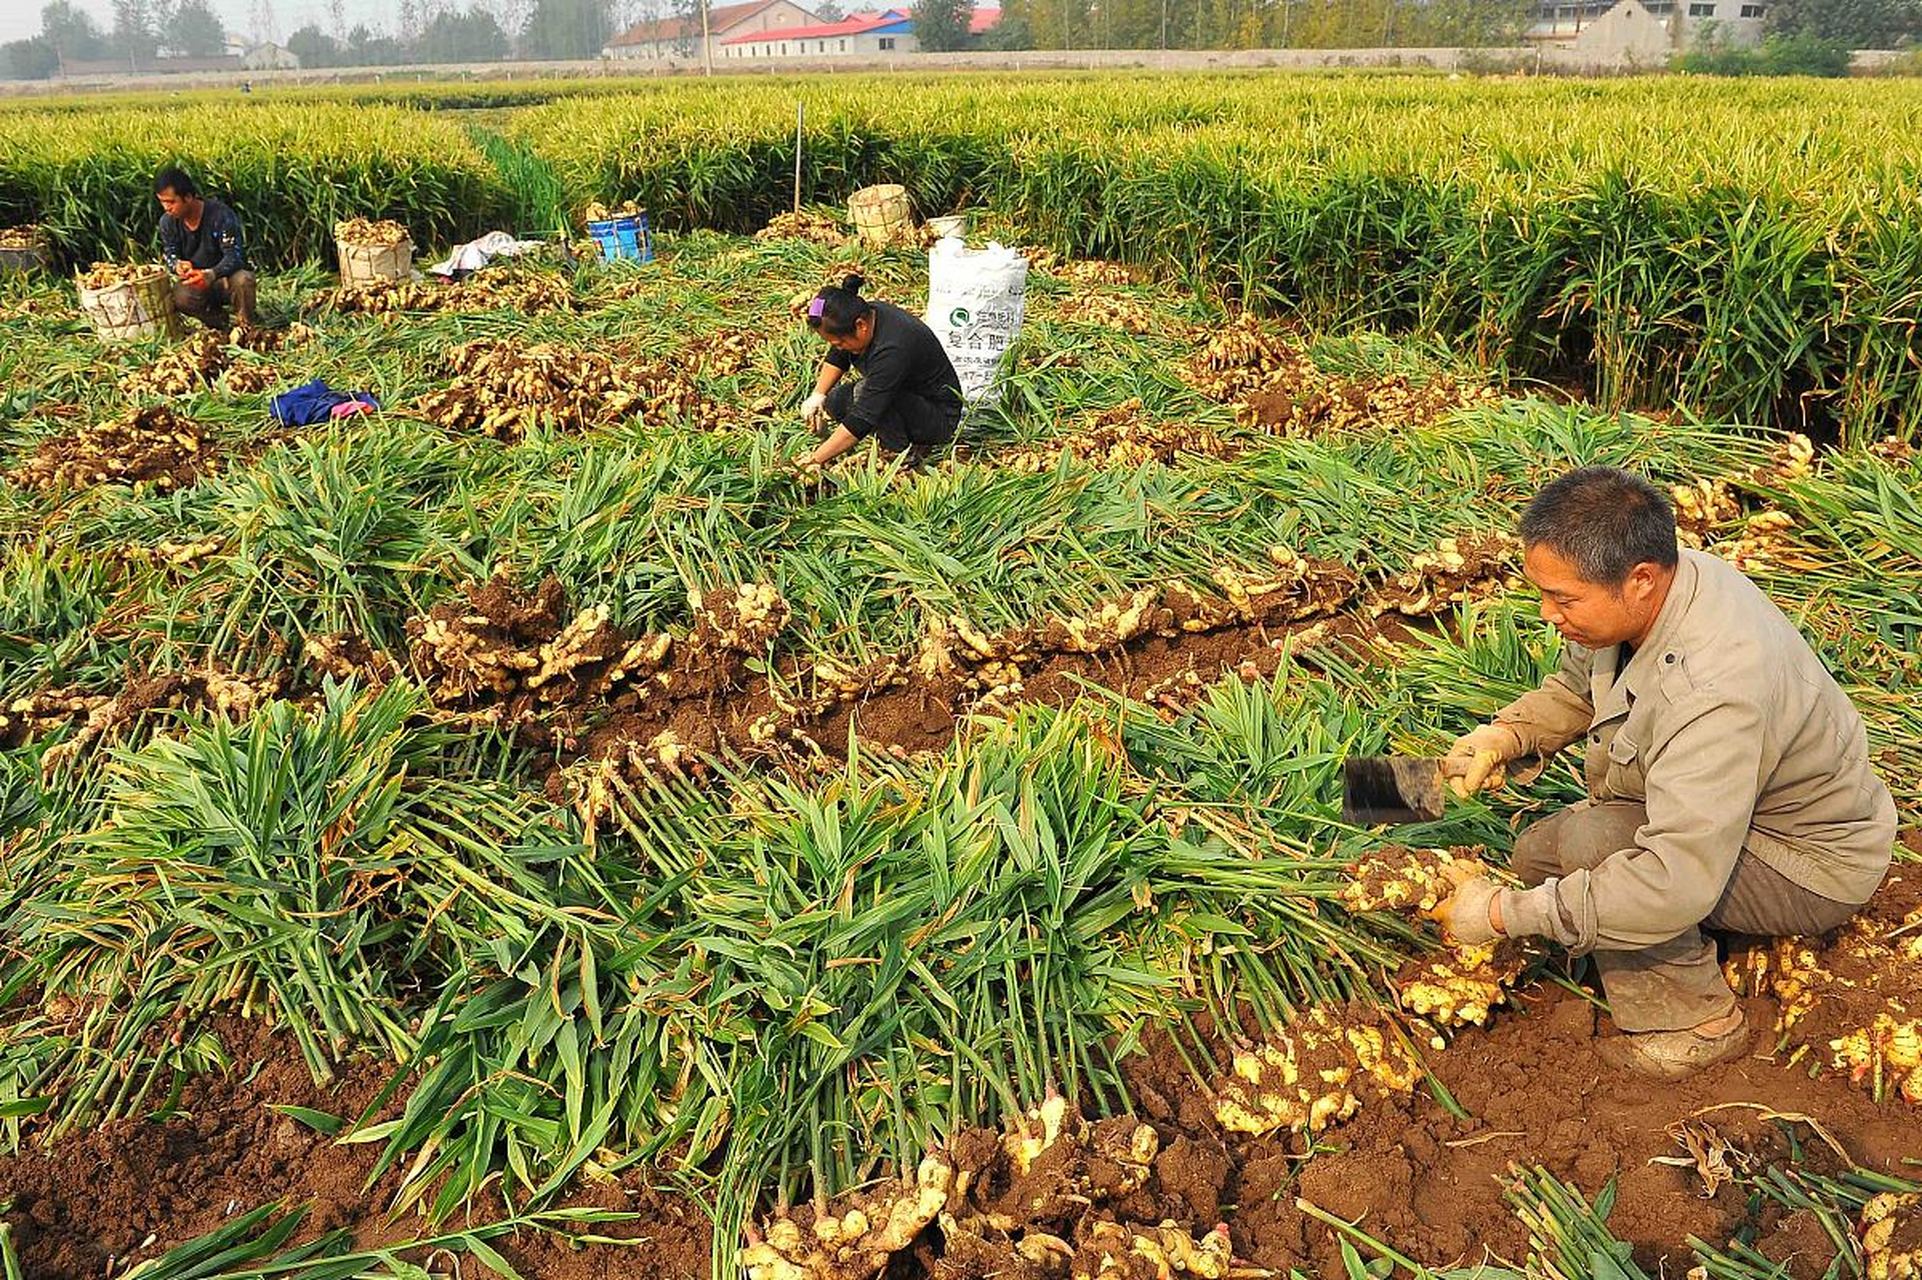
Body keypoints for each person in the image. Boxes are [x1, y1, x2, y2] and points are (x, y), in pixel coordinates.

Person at [1430, 466, 1894, 1080]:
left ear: (1641, 580)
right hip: (1731, 820)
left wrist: (1499, 916)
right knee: (1537, 857)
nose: (1547, 614)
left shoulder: (1713, 688)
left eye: (1563, 599)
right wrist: (1508, 735)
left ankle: (1697, 1025)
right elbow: (1579, 686)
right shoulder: (1651, 586)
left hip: (1807, 864)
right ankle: (1690, 939)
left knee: (1595, 849)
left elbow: (1672, 881)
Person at [798, 275, 964, 468]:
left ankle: (902, 457)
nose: (840, 347)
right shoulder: (865, 313)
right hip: (907, 396)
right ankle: (896, 435)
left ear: (860, 325)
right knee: (835, 401)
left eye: (841, 342)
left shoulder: (894, 349)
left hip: (937, 417)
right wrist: (818, 395)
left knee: (864, 395)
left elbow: (864, 416)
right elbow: (838, 355)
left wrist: (814, 460)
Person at [154, 167, 257, 329]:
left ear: (188, 197)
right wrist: (177, 265)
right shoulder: (167, 222)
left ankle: (246, 326)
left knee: (244, 280)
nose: (167, 208)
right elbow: (170, 254)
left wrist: (211, 274)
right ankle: (220, 324)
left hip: (225, 279)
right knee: (180, 296)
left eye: (171, 202)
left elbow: (235, 256)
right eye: (162, 202)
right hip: (197, 281)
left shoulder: (220, 215)